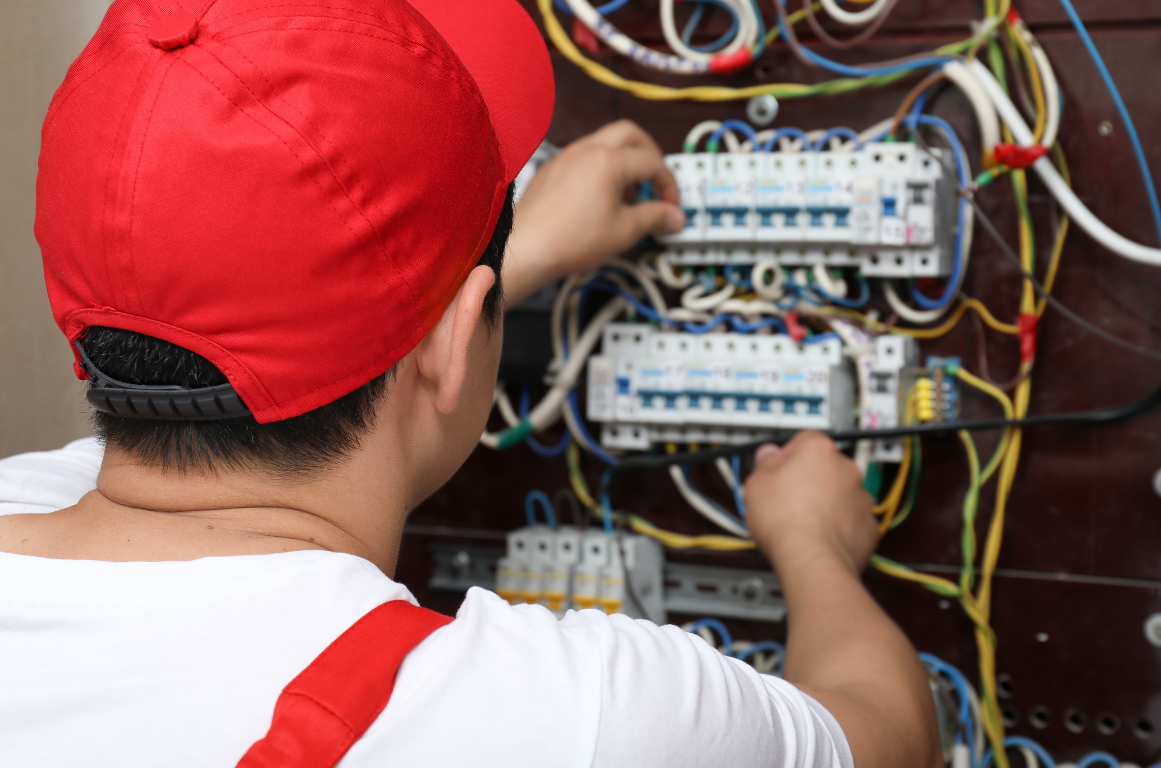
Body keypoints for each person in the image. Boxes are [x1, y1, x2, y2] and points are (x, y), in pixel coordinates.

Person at [0, 0, 940, 764]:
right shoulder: (579, 723)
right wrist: (813, 543)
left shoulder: (24, 497)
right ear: (457, 342)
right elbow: (892, 732)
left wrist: (478, 284)